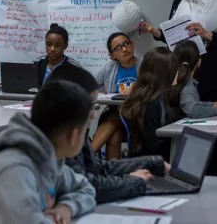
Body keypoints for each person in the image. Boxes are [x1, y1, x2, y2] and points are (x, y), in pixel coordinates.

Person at [0, 80, 96, 224]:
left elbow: (85, 189)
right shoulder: (14, 172)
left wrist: (66, 207)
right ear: (73, 135)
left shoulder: (48, 158)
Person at [47, 64, 171, 204]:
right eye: (90, 106)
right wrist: (134, 181)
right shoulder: (60, 138)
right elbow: (91, 185)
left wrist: (154, 163)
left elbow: (98, 168)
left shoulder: (73, 128)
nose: (94, 115)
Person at [120, 47, 179, 161]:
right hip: (153, 166)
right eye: (175, 69)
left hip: (140, 161)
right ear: (165, 73)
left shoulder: (143, 96)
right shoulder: (154, 103)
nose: (178, 72)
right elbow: (152, 146)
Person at [91, 32, 142, 160]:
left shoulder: (144, 64)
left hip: (138, 116)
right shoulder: (109, 68)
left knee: (115, 116)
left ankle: (86, 156)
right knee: (114, 137)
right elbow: (90, 83)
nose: (124, 49)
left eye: (126, 44)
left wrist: (136, 88)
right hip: (116, 114)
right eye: (118, 48)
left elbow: (154, 85)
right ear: (112, 55)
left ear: (132, 45)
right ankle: (113, 176)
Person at [170, 40, 217, 118]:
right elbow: (192, 110)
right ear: (199, 62)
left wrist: (212, 105)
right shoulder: (187, 86)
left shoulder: (176, 80)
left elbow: (192, 103)